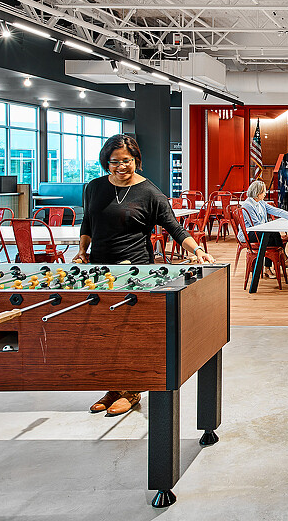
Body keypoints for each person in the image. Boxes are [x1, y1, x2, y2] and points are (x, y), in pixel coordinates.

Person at [75, 134, 216, 417]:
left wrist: (198, 250)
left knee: (129, 332)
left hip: (137, 271)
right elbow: (88, 222)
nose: (120, 167)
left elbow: (174, 227)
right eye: (114, 162)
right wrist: (82, 251)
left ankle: (133, 389)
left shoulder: (150, 192)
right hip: (100, 271)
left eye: (126, 161)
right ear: (106, 162)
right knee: (104, 332)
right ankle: (114, 386)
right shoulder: (94, 187)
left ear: (136, 160)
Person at [238, 180, 288, 278]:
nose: (265, 193)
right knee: (272, 235)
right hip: (248, 233)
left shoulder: (261, 202)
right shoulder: (248, 205)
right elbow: (256, 224)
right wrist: (270, 225)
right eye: (263, 191)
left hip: (259, 231)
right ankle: (281, 258)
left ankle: (269, 266)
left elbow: (275, 210)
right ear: (257, 193)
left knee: (272, 236)